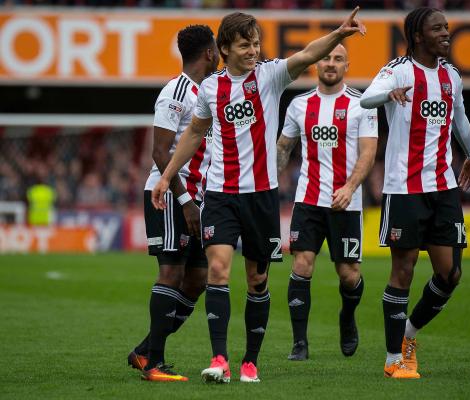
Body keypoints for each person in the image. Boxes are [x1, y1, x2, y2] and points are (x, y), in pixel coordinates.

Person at [151, 9, 366, 384]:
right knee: (217, 270)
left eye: (256, 43)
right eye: (244, 45)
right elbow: (195, 133)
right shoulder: (211, 88)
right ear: (224, 48)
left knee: (256, 281)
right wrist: (167, 175)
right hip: (219, 194)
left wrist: (337, 34)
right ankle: (219, 359)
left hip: (261, 197)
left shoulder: (269, 75)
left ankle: (250, 361)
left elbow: (308, 54)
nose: (253, 50)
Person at [360, 7, 470, 379]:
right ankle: (393, 360)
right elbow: (366, 98)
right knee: (403, 270)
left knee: (450, 274)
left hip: (443, 187)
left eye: (446, 27)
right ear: (417, 36)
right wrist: (389, 94)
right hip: (405, 188)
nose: (447, 33)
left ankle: (408, 334)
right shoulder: (398, 69)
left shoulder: (451, 75)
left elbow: (459, 118)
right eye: (438, 28)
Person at [127, 24, 220, 382]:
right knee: (171, 272)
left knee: (197, 278)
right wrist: (183, 200)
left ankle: (144, 351)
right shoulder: (176, 91)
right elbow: (159, 151)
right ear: (209, 53)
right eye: (217, 49)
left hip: (198, 199)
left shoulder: (208, 91)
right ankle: (154, 365)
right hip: (169, 197)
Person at [276, 44, 377, 361]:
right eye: (325, 59)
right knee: (302, 265)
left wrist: (349, 186)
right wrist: (264, 181)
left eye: (337, 59)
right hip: (307, 199)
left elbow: (368, 152)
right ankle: (299, 343)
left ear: (347, 65)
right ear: (315, 65)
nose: (330, 64)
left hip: (346, 201)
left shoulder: (362, 104)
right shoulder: (299, 105)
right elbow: (283, 148)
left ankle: (347, 318)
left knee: (348, 274)